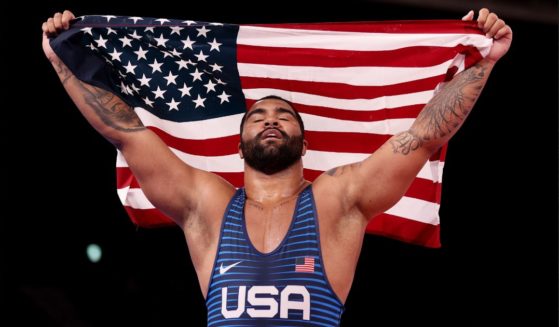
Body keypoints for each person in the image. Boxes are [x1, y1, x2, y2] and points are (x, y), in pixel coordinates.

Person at [42, 8, 512, 326]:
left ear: (304, 142)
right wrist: (63, 59)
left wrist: (483, 62)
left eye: (283, 115)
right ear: (240, 144)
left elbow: (425, 135)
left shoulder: (337, 199)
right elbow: (124, 131)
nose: (270, 120)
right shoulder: (206, 204)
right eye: (258, 117)